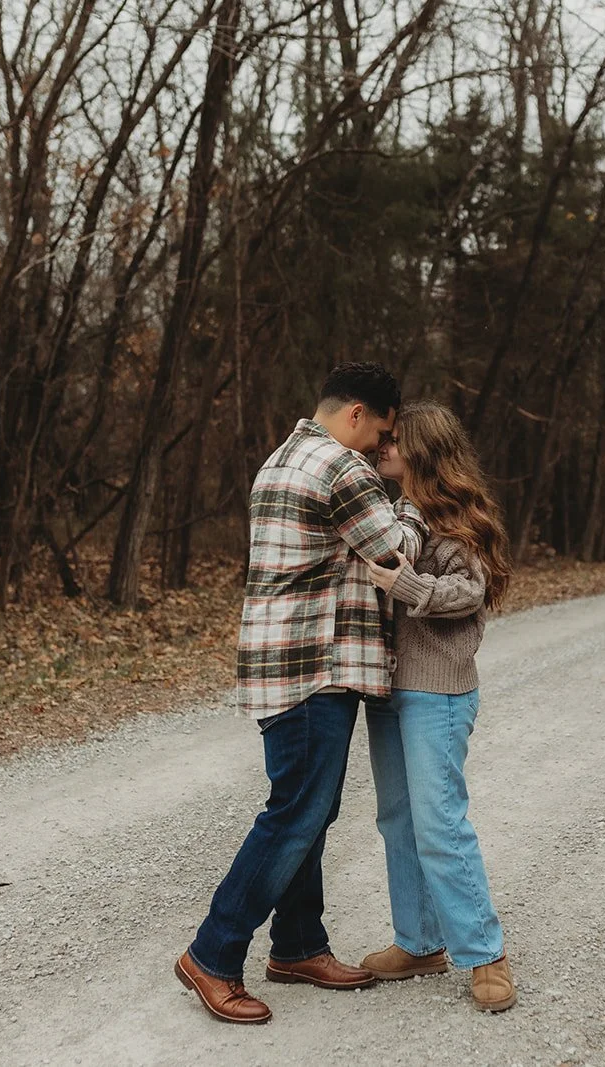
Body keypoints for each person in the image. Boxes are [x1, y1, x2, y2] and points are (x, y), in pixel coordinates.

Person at [175, 362, 427, 1025]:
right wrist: (415, 499)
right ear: (356, 415)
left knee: (305, 808)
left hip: (277, 661)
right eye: (380, 432)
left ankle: (297, 944)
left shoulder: (281, 459)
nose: (380, 448)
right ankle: (213, 951)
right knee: (296, 812)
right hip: (315, 665)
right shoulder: (343, 468)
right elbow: (396, 550)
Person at [361, 400, 518, 1013]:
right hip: (388, 690)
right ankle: (420, 942)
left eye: (395, 440)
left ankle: (485, 954)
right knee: (397, 820)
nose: (383, 447)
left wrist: (406, 585)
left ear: (424, 449)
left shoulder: (456, 520)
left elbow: (470, 591)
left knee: (438, 824)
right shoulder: (391, 513)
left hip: (439, 691)